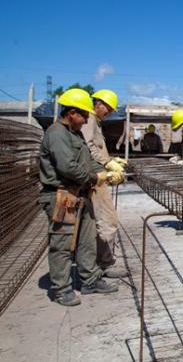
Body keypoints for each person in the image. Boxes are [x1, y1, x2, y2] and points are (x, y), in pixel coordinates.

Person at [39, 88, 120, 306]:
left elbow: (86, 161)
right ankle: (61, 288)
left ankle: (90, 280)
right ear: (72, 112)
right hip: (63, 195)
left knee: (87, 239)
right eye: (83, 115)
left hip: (80, 193)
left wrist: (107, 172)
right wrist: (96, 178)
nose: (86, 120)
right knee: (63, 242)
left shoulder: (74, 134)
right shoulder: (56, 134)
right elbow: (68, 167)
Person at [81, 89, 129, 278]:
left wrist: (112, 160)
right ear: (98, 104)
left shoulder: (95, 122)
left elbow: (95, 146)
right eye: (107, 110)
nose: (108, 114)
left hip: (98, 175)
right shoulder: (91, 119)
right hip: (95, 177)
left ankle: (100, 261)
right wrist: (106, 163)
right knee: (107, 220)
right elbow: (88, 146)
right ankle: (106, 264)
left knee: (101, 221)